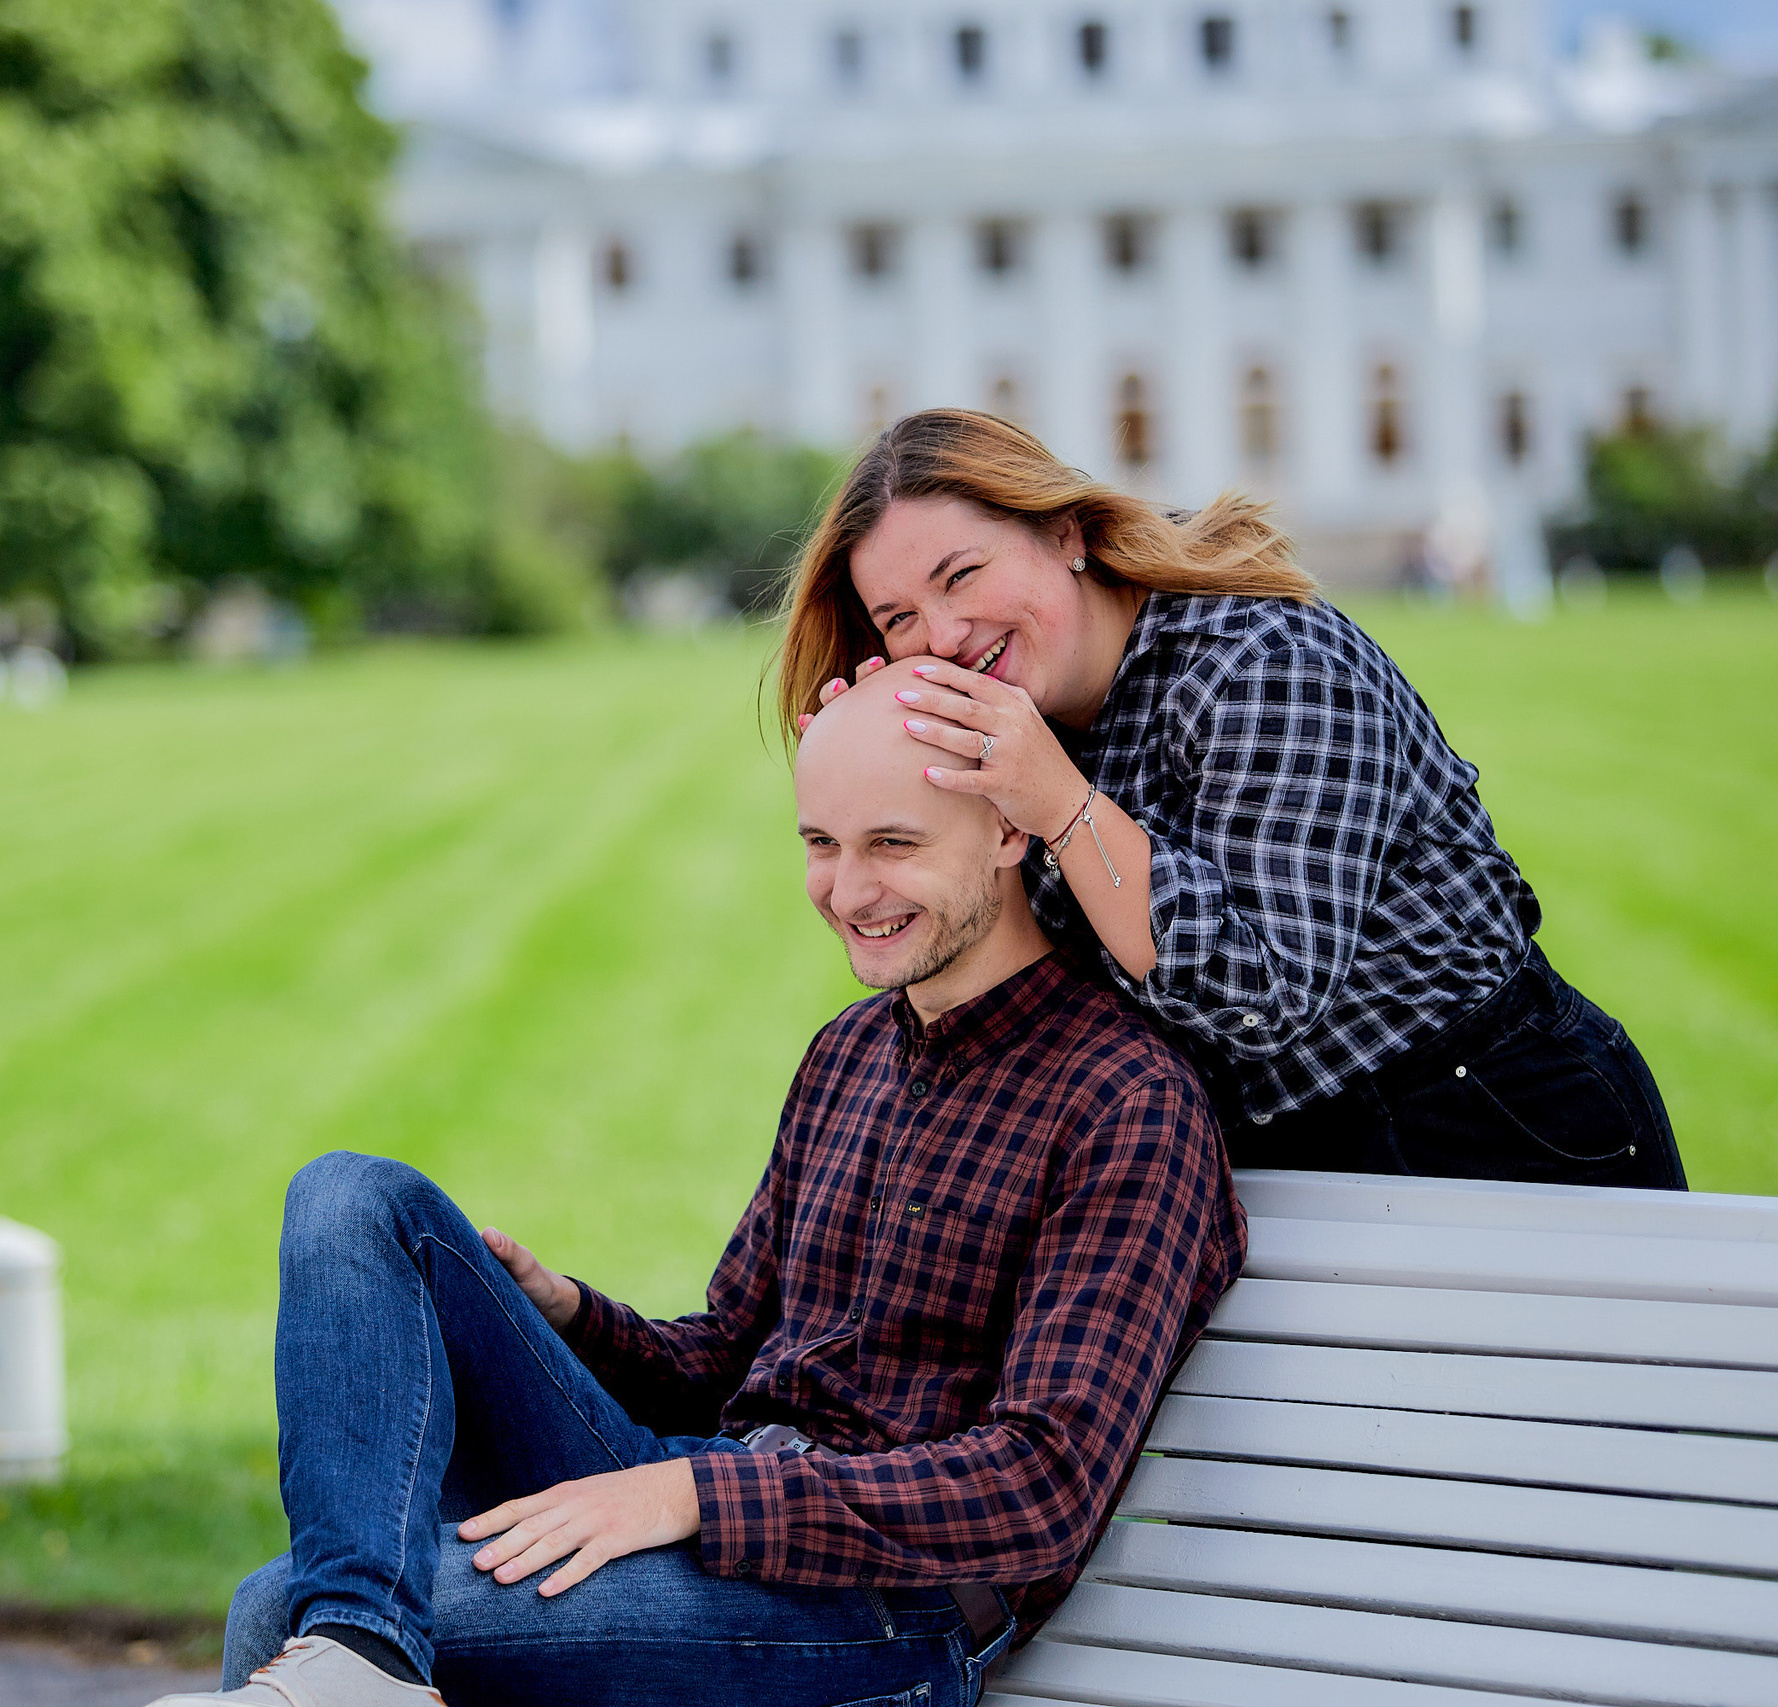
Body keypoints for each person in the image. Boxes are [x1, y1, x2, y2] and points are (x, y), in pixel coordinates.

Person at [149, 659, 1242, 1707]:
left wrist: (693, 1494)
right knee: (353, 1198)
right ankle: (357, 1658)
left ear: (1007, 829)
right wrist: (568, 1316)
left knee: (277, 1609)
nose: (848, 890)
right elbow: (723, 1357)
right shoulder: (849, 1053)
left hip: (886, 1615)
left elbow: (1038, 1486)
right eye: (821, 844)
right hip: (713, 1500)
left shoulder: (1125, 1101)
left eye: (893, 844)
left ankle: (354, 1658)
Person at [779, 408, 1683, 1188]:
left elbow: (1260, 995)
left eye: (961, 575)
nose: (942, 635)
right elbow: (1006, 968)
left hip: (1493, 1119)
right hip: (1265, 1151)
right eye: (899, 618)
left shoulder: (1260, 662)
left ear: (1065, 534)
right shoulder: (1020, 722)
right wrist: (881, 770)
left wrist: (1059, 802)